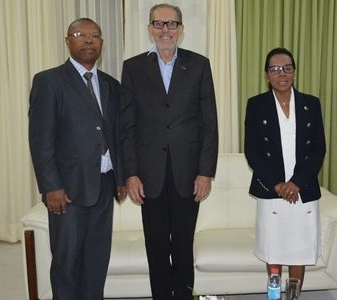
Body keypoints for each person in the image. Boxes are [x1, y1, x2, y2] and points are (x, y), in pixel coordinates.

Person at [120, 3, 218, 299]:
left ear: (181, 29)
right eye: (159, 24)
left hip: (188, 174)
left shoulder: (199, 65)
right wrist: (131, 174)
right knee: (156, 246)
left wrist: (205, 172)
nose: (165, 30)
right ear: (150, 29)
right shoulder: (133, 67)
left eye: (171, 24)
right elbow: (127, 125)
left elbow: (209, 123)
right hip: (149, 176)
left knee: (183, 244)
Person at [28, 18, 127, 300]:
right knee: (67, 263)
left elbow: (115, 133)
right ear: (67, 40)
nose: (88, 40)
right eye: (80, 34)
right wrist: (51, 187)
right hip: (67, 191)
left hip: (104, 186)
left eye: (95, 36)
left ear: (102, 44)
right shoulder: (48, 81)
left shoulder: (110, 84)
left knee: (96, 262)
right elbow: (40, 139)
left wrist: (119, 178)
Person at [244, 47, 326, 288]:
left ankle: (294, 295)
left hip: (303, 188)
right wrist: (278, 184)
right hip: (272, 189)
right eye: (275, 69)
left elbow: (318, 149)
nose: (282, 74)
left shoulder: (311, 104)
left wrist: (297, 183)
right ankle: (274, 293)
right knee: (275, 247)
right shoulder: (256, 105)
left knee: (299, 248)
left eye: (287, 68)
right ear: (267, 74)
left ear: (294, 72)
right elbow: (253, 151)